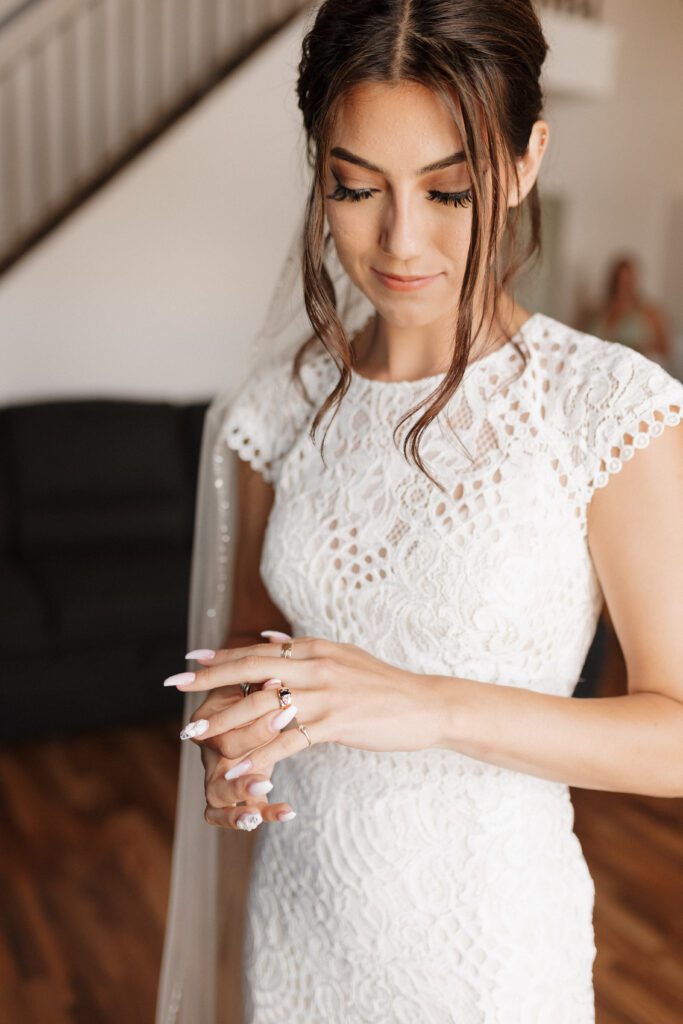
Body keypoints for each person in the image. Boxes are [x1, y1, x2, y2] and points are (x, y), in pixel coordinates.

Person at [156, 2, 683, 1022]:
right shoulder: (284, 400)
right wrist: (231, 743)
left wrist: (429, 703)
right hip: (301, 920)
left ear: (527, 158)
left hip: (481, 955)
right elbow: (239, 651)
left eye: (449, 189)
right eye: (356, 187)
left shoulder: (605, 408)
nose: (400, 240)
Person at [583, 255, 672, 363]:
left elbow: (665, 349)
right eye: (618, 279)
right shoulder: (596, 311)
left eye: (627, 280)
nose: (622, 284)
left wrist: (644, 347)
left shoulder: (648, 312)